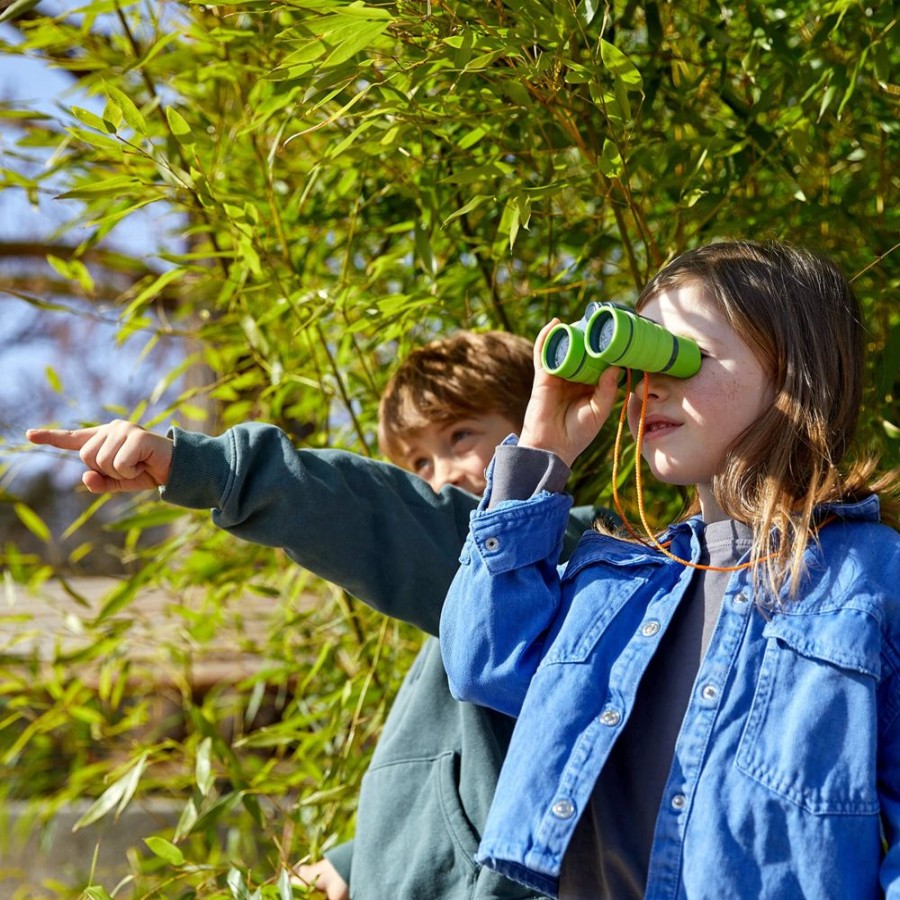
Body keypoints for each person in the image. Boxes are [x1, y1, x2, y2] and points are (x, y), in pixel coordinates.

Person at [28, 330, 612, 900]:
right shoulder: (460, 602)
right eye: (418, 461)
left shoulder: (557, 556)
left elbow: (375, 516)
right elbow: (468, 779)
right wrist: (357, 862)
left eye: (461, 436)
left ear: (545, 423)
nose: (444, 474)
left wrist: (208, 468)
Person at [439, 240, 900, 899]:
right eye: (637, 362)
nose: (649, 385)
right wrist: (541, 450)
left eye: (681, 356)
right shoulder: (618, 582)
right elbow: (484, 661)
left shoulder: (868, 578)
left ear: (794, 373)